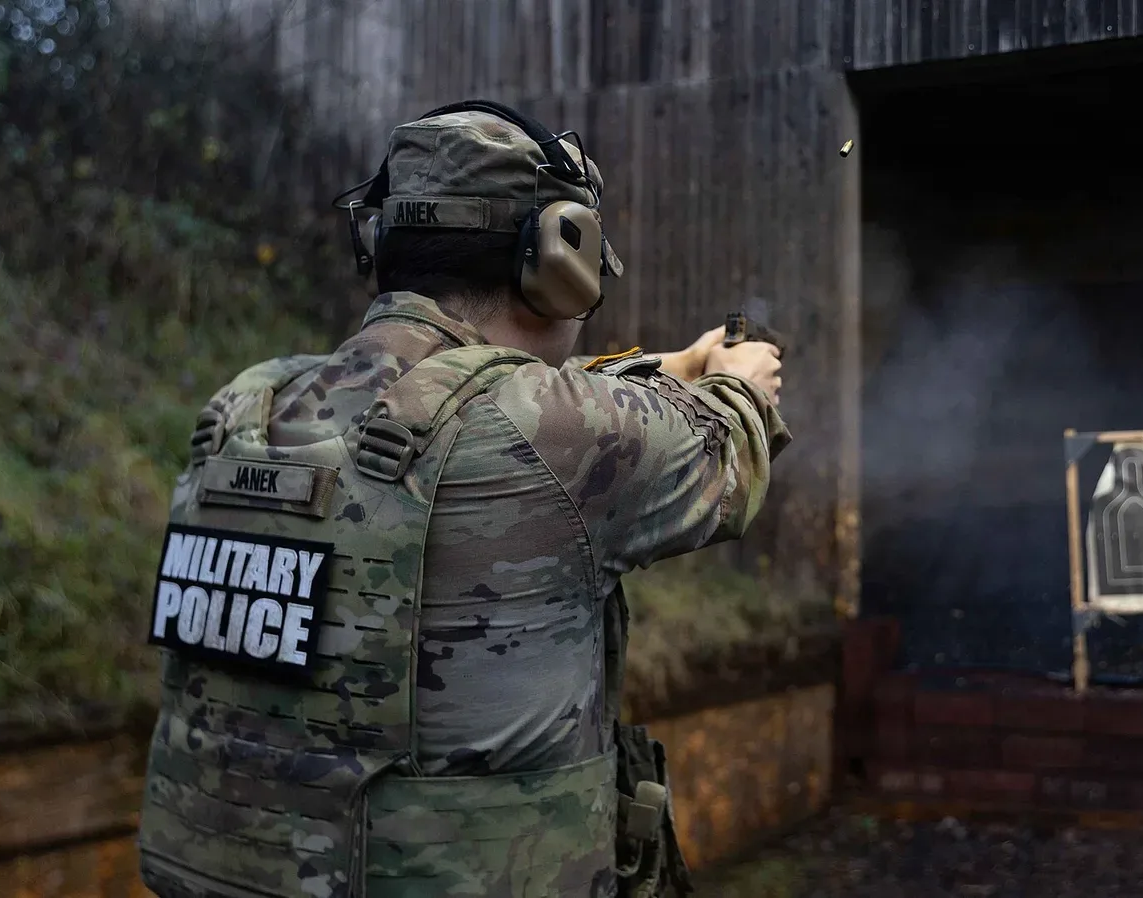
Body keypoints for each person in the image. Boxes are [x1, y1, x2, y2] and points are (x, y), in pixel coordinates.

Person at [136, 100, 790, 898]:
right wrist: (738, 384)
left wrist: (662, 370)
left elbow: (479, 408)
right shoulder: (553, 432)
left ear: (380, 240)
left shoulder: (252, 403)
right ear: (560, 260)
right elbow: (722, 461)